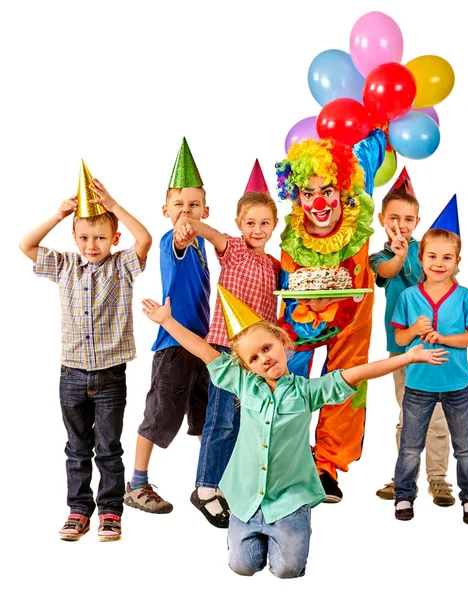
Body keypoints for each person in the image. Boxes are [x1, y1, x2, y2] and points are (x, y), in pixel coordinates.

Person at [140, 290, 448, 577]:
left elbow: (357, 372)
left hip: (289, 499)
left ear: (280, 341)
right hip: (246, 499)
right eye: (254, 358)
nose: (265, 358)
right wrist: (167, 320)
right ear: (246, 367)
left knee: (287, 570)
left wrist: (408, 357)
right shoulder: (243, 384)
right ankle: (251, 536)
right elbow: (204, 350)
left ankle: (291, 531)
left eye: (267, 348)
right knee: (242, 567)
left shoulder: (307, 390)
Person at [19, 160, 152, 541]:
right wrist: (59, 215)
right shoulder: (65, 266)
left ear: (114, 238)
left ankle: (111, 511)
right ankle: (79, 511)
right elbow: (25, 244)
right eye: (84, 237)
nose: (92, 245)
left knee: (109, 447)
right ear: (74, 238)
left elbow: (144, 239)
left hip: (110, 376)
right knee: (77, 448)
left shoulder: (122, 267)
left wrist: (113, 205)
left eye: (100, 237)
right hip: (71, 375)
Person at [275, 129, 386, 501]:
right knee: (287, 383)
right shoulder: (293, 231)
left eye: (327, 191)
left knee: (346, 385)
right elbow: (290, 278)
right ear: (297, 195)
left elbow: (367, 156)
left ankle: (326, 467)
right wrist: (311, 304)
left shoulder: (360, 206)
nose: (319, 201)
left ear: (341, 189)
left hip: (353, 318)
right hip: (301, 320)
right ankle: (287, 460)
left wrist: (379, 129)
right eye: (308, 193)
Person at [173, 160, 280, 528]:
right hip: (225, 349)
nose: (257, 229)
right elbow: (210, 232)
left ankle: (226, 485)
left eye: (264, 223)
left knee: (242, 422)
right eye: (250, 222)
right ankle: (204, 488)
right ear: (239, 224)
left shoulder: (274, 265)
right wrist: (190, 222)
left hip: (256, 357)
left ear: (274, 226)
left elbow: (273, 311)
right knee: (220, 419)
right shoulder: (232, 249)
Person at [123, 138, 211, 514]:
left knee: (207, 419)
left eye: (194, 205)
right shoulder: (170, 240)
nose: (186, 212)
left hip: (204, 346)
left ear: (206, 209)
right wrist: (181, 233)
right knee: (160, 416)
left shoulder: (203, 244)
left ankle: (211, 484)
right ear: (166, 211)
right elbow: (177, 240)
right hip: (174, 345)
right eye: (179, 205)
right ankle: (137, 485)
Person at [369, 169, 455, 507]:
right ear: (381, 219)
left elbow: (440, 280)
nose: (400, 224)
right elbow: (387, 272)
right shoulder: (379, 256)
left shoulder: (429, 251)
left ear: (417, 221)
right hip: (401, 350)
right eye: (393, 218)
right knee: (408, 415)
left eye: (408, 219)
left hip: (437, 349)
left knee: (436, 415)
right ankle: (405, 478)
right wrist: (399, 255)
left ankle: (439, 479)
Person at [391, 227, 468, 524]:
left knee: (465, 445)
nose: (439, 263)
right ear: (421, 259)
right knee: (409, 446)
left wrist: (443, 338)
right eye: (432, 256)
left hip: (456, 385)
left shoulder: (465, 297)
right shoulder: (408, 297)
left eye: (447, 257)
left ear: (458, 261)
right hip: (418, 384)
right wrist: (415, 331)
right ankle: (404, 495)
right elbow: (402, 340)